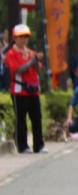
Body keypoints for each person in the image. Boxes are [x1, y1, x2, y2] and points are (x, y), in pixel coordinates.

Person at [5, 24, 45, 154]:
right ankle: (22, 146)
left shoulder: (31, 52)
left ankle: (39, 145)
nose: (24, 40)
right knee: (21, 119)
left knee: (37, 117)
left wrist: (37, 61)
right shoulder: (11, 53)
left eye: (26, 37)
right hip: (19, 91)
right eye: (21, 37)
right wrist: (32, 61)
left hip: (33, 89)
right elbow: (18, 70)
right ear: (15, 38)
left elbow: (38, 69)